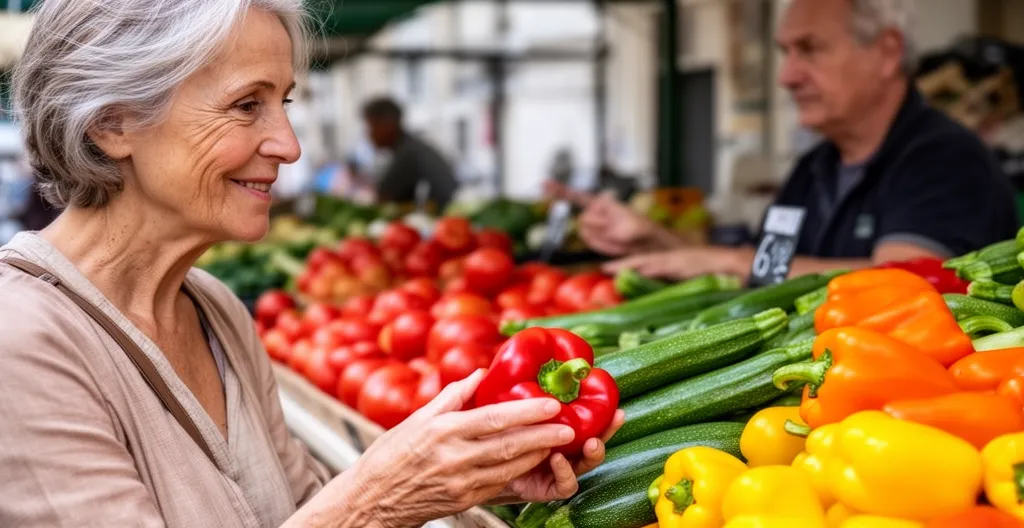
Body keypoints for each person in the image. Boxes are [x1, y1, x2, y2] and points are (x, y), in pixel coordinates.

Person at [0, 2, 623, 526]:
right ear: (114, 123)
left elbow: (300, 511)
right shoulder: (21, 340)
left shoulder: (216, 311)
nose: (290, 147)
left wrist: (464, 477)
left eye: (285, 104)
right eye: (247, 105)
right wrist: (375, 503)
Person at [553, 0, 1019, 281]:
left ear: (886, 52)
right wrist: (654, 240)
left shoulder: (947, 159)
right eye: (785, 52)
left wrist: (727, 259)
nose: (787, 76)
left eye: (810, 49)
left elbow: (905, 280)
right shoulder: (814, 166)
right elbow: (767, 269)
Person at [362, 96, 460, 211]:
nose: (369, 135)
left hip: (440, 217)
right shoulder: (411, 146)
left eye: (371, 127)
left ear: (388, 125)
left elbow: (382, 200)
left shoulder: (408, 154)